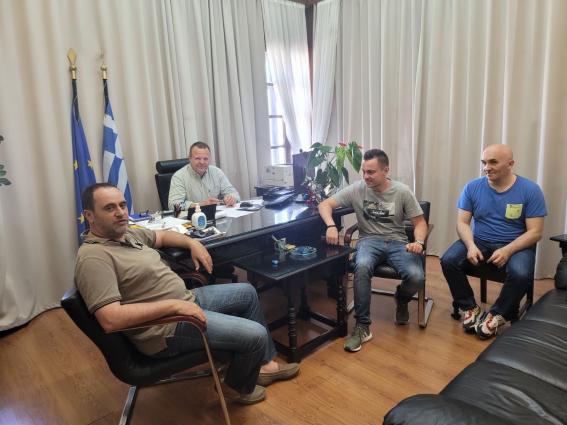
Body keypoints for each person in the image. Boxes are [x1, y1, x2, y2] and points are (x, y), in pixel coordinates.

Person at [75, 183, 299, 404]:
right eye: (110, 208)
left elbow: (162, 237)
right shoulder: (94, 257)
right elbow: (110, 319)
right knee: (256, 335)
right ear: (89, 216)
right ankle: (234, 387)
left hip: (184, 301)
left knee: (247, 292)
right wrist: (174, 306)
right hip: (165, 328)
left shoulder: (126, 234)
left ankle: (264, 366)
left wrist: (193, 243)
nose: (120, 213)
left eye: (122, 205)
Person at [318, 149, 428, 352]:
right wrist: (331, 225)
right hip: (369, 241)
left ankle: (402, 298)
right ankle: (362, 326)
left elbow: (420, 223)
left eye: (371, 172)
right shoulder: (358, 188)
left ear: (386, 170)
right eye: (364, 172)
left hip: (397, 242)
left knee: (416, 277)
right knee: (361, 266)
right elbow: (325, 204)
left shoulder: (402, 191)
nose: (366, 176)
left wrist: (419, 242)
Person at [441, 144, 546, 340]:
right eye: (484, 162)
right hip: (480, 240)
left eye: (493, 162)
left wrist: (508, 250)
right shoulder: (472, 187)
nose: (486, 168)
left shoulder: (530, 190)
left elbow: (535, 232)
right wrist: (471, 245)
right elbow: (462, 223)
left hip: (516, 244)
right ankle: (470, 307)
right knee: (448, 260)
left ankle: (498, 314)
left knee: (521, 273)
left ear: (510, 164)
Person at [168, 141, 240, 209]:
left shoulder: (217, 172)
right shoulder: (179, 177)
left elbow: (234, 194)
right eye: (197, 158)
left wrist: (231, 198)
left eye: (205, 159)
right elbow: (174, 205)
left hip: (217, 215)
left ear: (209, 159)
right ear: (190, 158)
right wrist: (200, 205)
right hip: (192, 217)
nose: (202, 162)